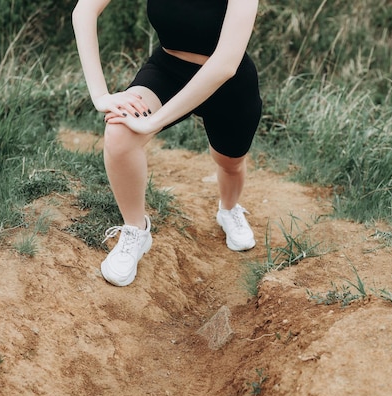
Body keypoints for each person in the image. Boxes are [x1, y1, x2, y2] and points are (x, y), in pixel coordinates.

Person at [72, 0, 262, 287]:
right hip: (168, 71)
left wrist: (154, 121)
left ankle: (229, 209)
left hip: (228, 84)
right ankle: (136, 230)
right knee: (119, 132)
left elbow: (225, 64)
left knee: (230, 163)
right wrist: (101, 95)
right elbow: (84, 10)